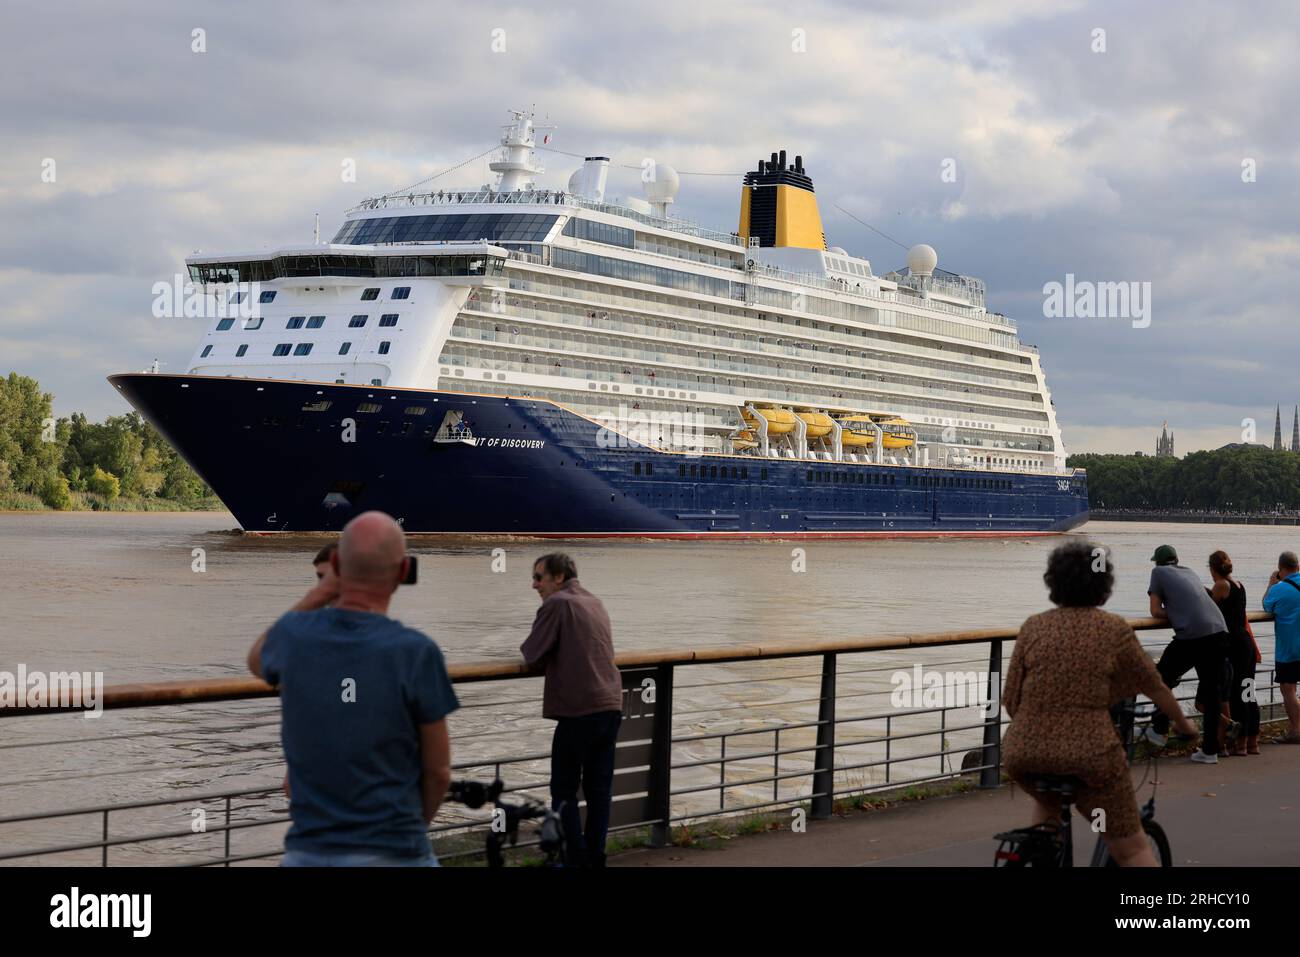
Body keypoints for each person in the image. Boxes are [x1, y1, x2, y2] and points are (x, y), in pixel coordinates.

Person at [247, 511, 457, 866]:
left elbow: (257, 659)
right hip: (396, 849)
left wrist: (322, 591)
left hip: (309, 852)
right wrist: (410, 832)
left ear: (336, 566)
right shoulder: (417, 651)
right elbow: (438, 773)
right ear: (403, 572)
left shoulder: (295, 636)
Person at [1003, 542, 1197, 867]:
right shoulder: (1113, 629)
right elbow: (1155, 687)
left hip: (1024, 751)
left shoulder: (1033, 626)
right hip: (1089, 757)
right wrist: (1183, 723)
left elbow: (1011, 701)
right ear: (1103, 588)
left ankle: (1039, 852)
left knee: (1048, 808)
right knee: (1132, 849)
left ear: (1054, 583)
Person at [520, 553, 623, 867]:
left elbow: (532, 655)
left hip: (580, 711)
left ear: (559, 577)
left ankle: (574, 859)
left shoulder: (557, 604)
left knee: (563, 790)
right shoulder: (595, 601)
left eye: (539, 577)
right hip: (610, 705)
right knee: (598, 790)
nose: (534, 584)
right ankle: (595, 857)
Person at [1143, 544, 1231, 763]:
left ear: (1157, 562)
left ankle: (1160, 729)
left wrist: (1176, 615)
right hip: (1219, 632)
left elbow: (1155, 610)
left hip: (1193, 635)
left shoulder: (1158, 572)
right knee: (1211, 693)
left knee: (1160, 678)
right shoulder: (1189, 572)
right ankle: (1210, 752)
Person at [1208, 550, 1259, 755]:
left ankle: (1240, 744)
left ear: (1213, 569)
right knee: (1248, 692)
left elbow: (1207, 608)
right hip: (1245, 643)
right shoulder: (1240, 585)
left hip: (1232, 646)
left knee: (1236, 694)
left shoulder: (1221, 585)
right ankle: (1252, 742)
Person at [1262, 551, 1300, 744]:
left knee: (1288, 689)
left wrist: (1271, 583)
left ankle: (1296, 731)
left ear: (1281, 568)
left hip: (1290, 649)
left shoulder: (1279, 588)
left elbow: (1266, 605)